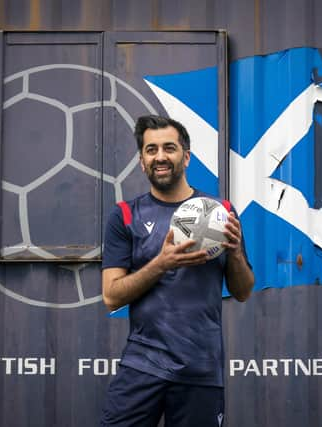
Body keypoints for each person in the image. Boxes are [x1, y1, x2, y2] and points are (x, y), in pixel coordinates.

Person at [100, 115, 255, 427]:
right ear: (142, 161)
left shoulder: (219, 213)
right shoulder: (125, 215)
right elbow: (111, 296)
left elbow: (243, 291)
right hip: (143, 365)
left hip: (199, 368)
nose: (160, 156)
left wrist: (235, 253)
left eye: (169, 148)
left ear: (186, 156)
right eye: (151, 149)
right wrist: (162, 263)